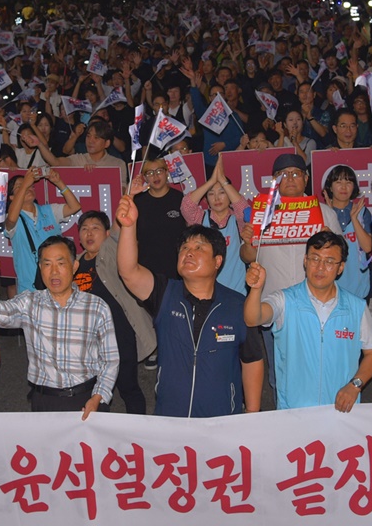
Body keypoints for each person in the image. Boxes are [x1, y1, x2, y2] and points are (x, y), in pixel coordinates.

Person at [114, 193, 263, 526]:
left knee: (226, 490)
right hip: (172, 416)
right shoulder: (165, 294)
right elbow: (129, 271)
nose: (189, 252)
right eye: (185, 247)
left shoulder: (237, 305)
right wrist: (128, 226)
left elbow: (251, 359)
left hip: (223, 420)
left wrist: (251, 414)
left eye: (199, 247)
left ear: (218, 261)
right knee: (176, 489)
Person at [242, 231, 372, 526]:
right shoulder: (286, 300)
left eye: (329, 261)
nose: (320, 267)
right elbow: (254, 318)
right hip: (295, 415)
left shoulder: (355, 306)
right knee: (298, 484)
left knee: (341, 482)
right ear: (305, 261)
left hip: (343, 415)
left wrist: (356, 383)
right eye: (314, 259)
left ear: (341, 267)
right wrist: (256, 288)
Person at [0, 236, 117, 417]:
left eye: (61, 263)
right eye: (47, 264)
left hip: (87, 398)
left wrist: (98, 396)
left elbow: (110, 359)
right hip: (44, 400)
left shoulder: (96, 307)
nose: (54, 272)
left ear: (74, 266)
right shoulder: (29, 302)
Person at [239, 153, 338, 390]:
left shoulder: (324, 213)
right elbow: (247, 257)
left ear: (306, 179)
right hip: (273, 303)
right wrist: (250, 242)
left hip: (316, 305)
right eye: (282, 175)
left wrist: (329, 240)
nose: (290, 179)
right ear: (274, 181)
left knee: (319, 369)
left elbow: (340, 258)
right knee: (279, 374)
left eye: (296, 173)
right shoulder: (261, 213)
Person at [72, 210, 156, 415]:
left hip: (120, 334)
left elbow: (120, 227)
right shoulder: (75, 263)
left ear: (107, 233)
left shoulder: (111, 251)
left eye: (95, 228)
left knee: (128, 386)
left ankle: (137, 431)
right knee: (94, 391)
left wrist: (130, 196)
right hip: (90, 340)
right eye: (84, 229)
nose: (89, 233)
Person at [4, 166, 81, 294]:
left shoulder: (49, 211)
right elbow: (11, 220)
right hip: (30, 289)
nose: (28, 187)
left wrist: (58, 182)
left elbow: (75, 206)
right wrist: (25, 184)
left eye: (30, 186)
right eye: (20, 186)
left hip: (58, 284)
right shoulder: (12, 217)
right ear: (11, 197)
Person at [180, 157, 250, 294]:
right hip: (205, 291)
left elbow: (245, 210)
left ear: (230, 195)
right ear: (205, 199)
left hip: (236, 290)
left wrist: (223, 181)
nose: (217, 198)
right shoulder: (200, 218)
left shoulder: (237, 220)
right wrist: (211, 181)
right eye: (211, 194)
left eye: (222, 192)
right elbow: (186, 206)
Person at [322, 165, 372, 316]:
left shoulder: (361, 211)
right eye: (338, 182)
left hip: (357, 284)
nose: (343, 187)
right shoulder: (323, 212)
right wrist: (331, 215)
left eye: (348, 182)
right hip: (331, 283)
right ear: (330, 187)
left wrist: (354, 220)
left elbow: (368, 247)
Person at [131, 156, 188, 280]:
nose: (155, 176)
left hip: (176, 268)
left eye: (159, 171)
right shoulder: (138, 202)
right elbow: (133, 239)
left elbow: (189, 233)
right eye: (150, 173)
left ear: (167, 173)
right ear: (145, 178)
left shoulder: (180, 199)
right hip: (146, 269)